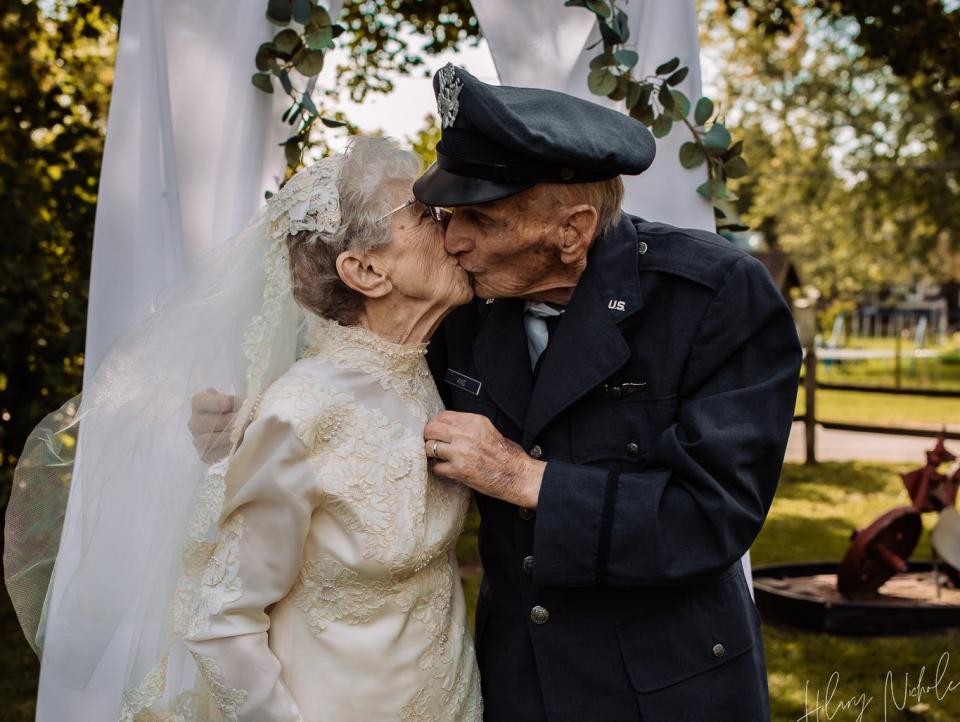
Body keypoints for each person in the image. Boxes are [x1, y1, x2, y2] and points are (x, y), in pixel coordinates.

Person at [192, 67, 802, 721]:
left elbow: (711, 518)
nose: (453, 241)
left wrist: (528, 478)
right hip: (514, 688)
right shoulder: (465, 303)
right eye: (448, 215)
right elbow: (360, 371)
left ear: (571, 231)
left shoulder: (714, 298)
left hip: (666, 692)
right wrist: (250, 412)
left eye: (479, 218)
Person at [8, 136, 483, 721]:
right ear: (364, 270)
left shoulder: (422, 367)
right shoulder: (301, 411)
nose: (451, 223)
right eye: (420, 213)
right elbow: (220, 623)